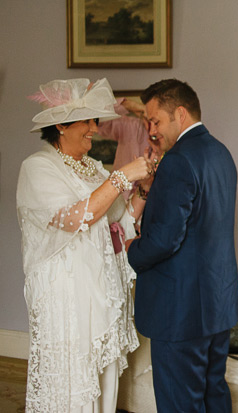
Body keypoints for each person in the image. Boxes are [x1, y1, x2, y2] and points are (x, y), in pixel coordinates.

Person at [16, 78, 152, 412]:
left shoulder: (92, 167)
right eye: (88, 121)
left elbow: (118, 220)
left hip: (99, 290)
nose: (95, 128)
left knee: (103, 378)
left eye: (95, 120)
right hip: (65, 297)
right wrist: (121, 176)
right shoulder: (37, 168)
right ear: (61, 125)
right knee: (72, 379)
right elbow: (76, 217)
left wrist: (144, 189)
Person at [126, 79, 238, 412]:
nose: (151, 131)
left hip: (180, 312)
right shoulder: (221, 153)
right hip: (216, 306)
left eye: (156, 121)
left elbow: (165, 239)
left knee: (180, 404)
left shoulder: (178, 160)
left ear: (180, 113)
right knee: (213, 393)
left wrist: (130, 248)